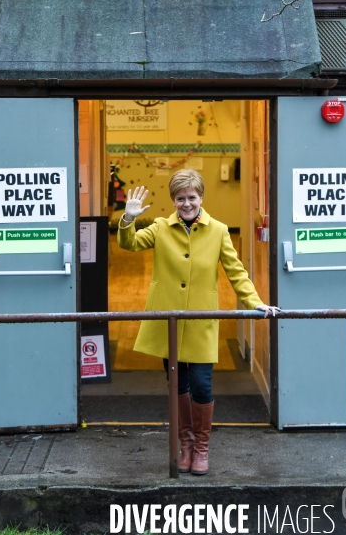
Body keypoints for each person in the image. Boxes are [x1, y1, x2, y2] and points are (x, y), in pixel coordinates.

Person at [117, 169, 279, 475]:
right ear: (173, 200)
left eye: (192, 197)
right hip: (169, 323)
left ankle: (202, 447)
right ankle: (186, 446)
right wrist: (128, 219)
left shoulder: (218, 230)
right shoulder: (161, 227)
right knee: (177, 385)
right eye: (180, 198)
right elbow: (130, 244)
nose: (187, 203)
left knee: (202, 385)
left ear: (201, 197)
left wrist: (254, 302)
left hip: (202, 322)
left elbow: (236, 271)